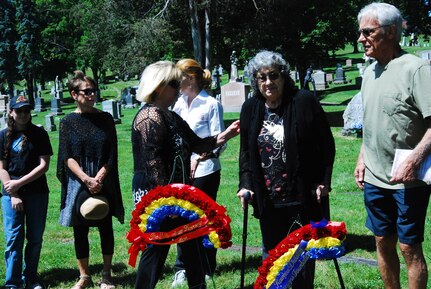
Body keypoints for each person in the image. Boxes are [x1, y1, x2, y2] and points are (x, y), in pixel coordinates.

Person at [131, 60, 240, 289]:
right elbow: (153, 163)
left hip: (177, 194)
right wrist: (166, 201)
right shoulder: (149, 117)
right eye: (174, 85)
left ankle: (197, 286)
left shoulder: (170, 116)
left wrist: (226, 135)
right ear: (159, 87)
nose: (179, 90)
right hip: (157, 195)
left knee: (191, 241)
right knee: (156, 248)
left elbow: (198, 144)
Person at [237, 50, 335, 289]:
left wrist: (323, 181)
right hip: (267, 199)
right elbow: (246, 154)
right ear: (255, 81)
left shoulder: (303, 101)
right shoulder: (251, 108)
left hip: (301, 195)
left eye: (273, 75)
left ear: (283, 76)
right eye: (262, 78)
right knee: (272, 261)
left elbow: (326, 145)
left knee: (300, 260)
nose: (268, 82)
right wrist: (245, 184)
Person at [354, 3, 431, 289]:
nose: (361, 38)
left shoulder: (416, 69)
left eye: (368, 32)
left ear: (391, 32)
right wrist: (362, 157)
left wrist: (413, 160)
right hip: (376, 177)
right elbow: (370, 120)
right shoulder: (370, 72)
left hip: (408, 181)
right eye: (360, 32)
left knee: (409, 248)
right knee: (382, 240)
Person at [57, 71, 124, 289]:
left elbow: (112, 153)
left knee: (105, 224)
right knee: (80, 229)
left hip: (102, 176)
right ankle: (84, 276)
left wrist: (99, 178)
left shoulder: (105, 119)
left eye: (94, 91)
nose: (92, 95)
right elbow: (66, 157)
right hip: (79, 179)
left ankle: (106, 274)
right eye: (87, 92)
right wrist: (86, 179)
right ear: (74, 94)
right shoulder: (67, 122)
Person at [171, 59, 226, 286]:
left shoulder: (211, 104)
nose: (174, 82)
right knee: (181, 218)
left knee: (203, 219)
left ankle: (205, 266)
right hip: (182, 170)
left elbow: (219, 141)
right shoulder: (177, 104)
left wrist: (198, 157)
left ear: (191, 78)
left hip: (205, 170)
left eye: (178, 77)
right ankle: (182, 267)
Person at [0, 95, 53, 289]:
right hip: (10, 195)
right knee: (14, 238)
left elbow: (44, 165)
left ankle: (30, 278)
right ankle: (12, 282)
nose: (23, 114)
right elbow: (2, 168)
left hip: (37, 193)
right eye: (19, 110)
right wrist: (13, 192)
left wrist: (19, 184)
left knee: (35, 237)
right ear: (11, 112)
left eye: (26, 110)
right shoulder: (3, 135)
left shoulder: (39, 134)